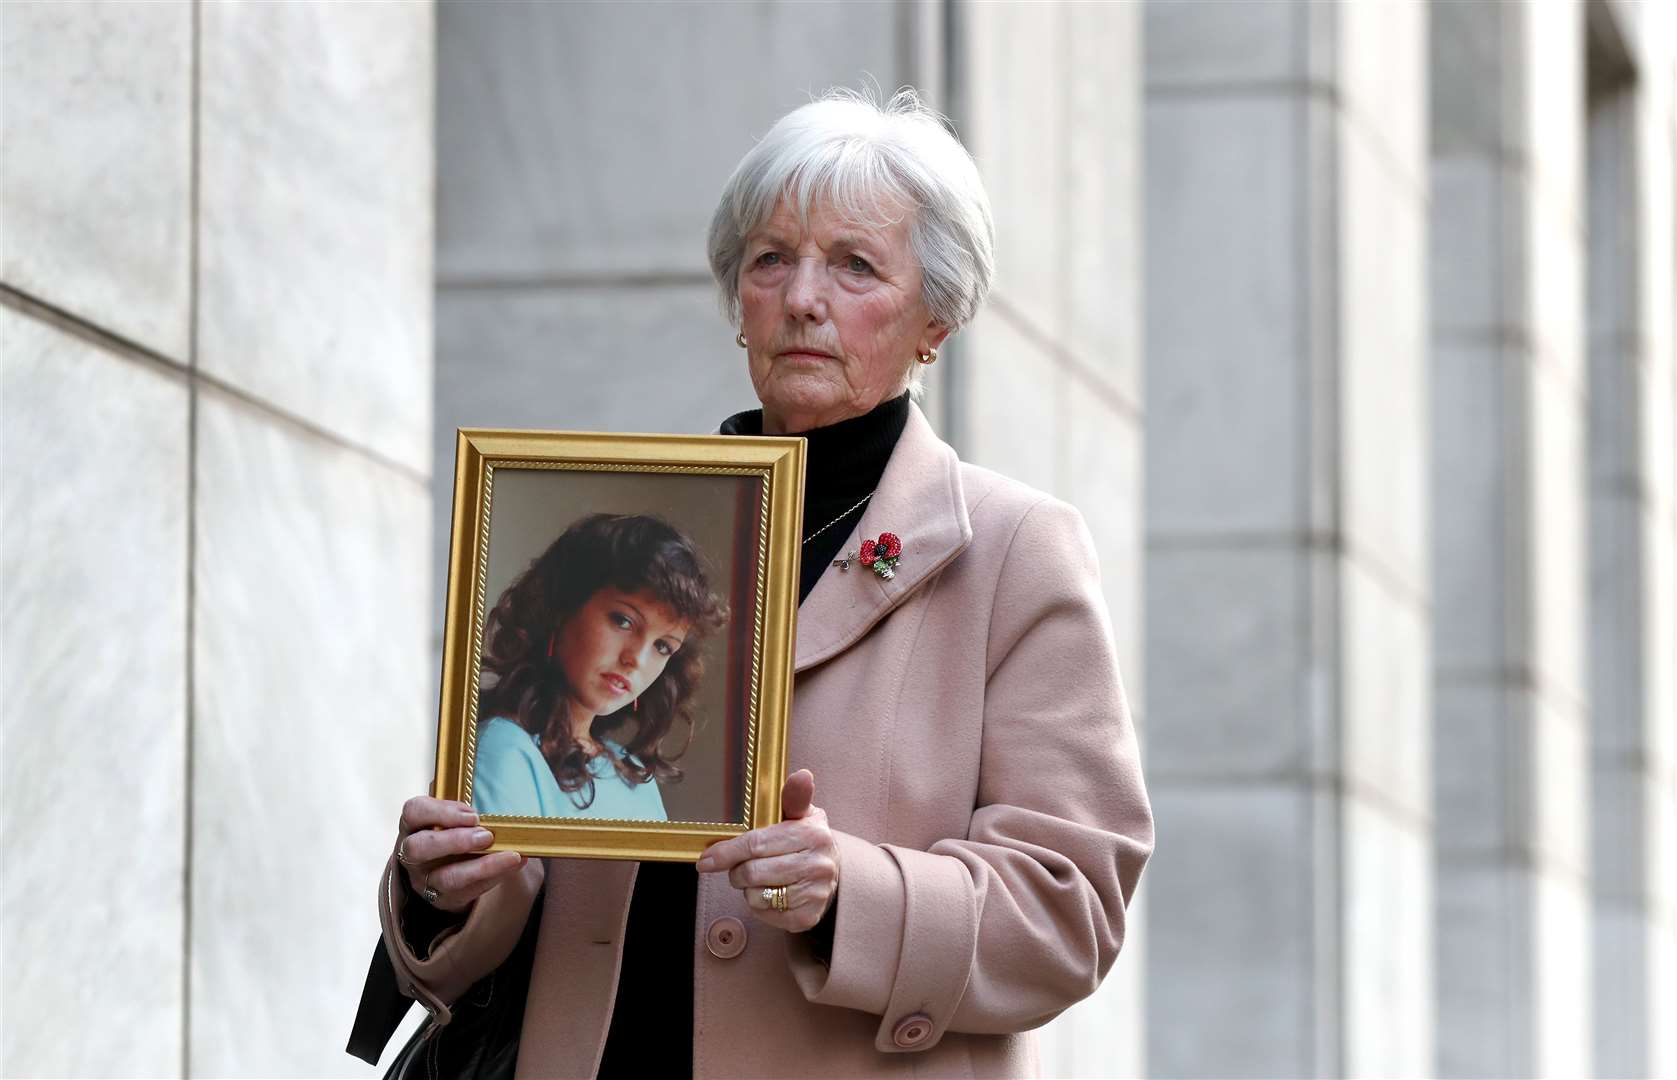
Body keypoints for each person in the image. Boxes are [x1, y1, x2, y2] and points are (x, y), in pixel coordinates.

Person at [349, 86, 1153, 1077]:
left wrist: (849, 895)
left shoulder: (1014, 549)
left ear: (935, 321)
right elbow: (545, 870)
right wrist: (454, 880)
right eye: (772, 260)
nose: (805, 297)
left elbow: (1071, 905)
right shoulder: (624, 530)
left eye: (856, 265)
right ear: (740, 300)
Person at [471, 513, 729, 823]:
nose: (636, 659)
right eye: (623, 621)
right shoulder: (504, 751)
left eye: (663, 647)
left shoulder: (631, 773)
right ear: (561, 607)